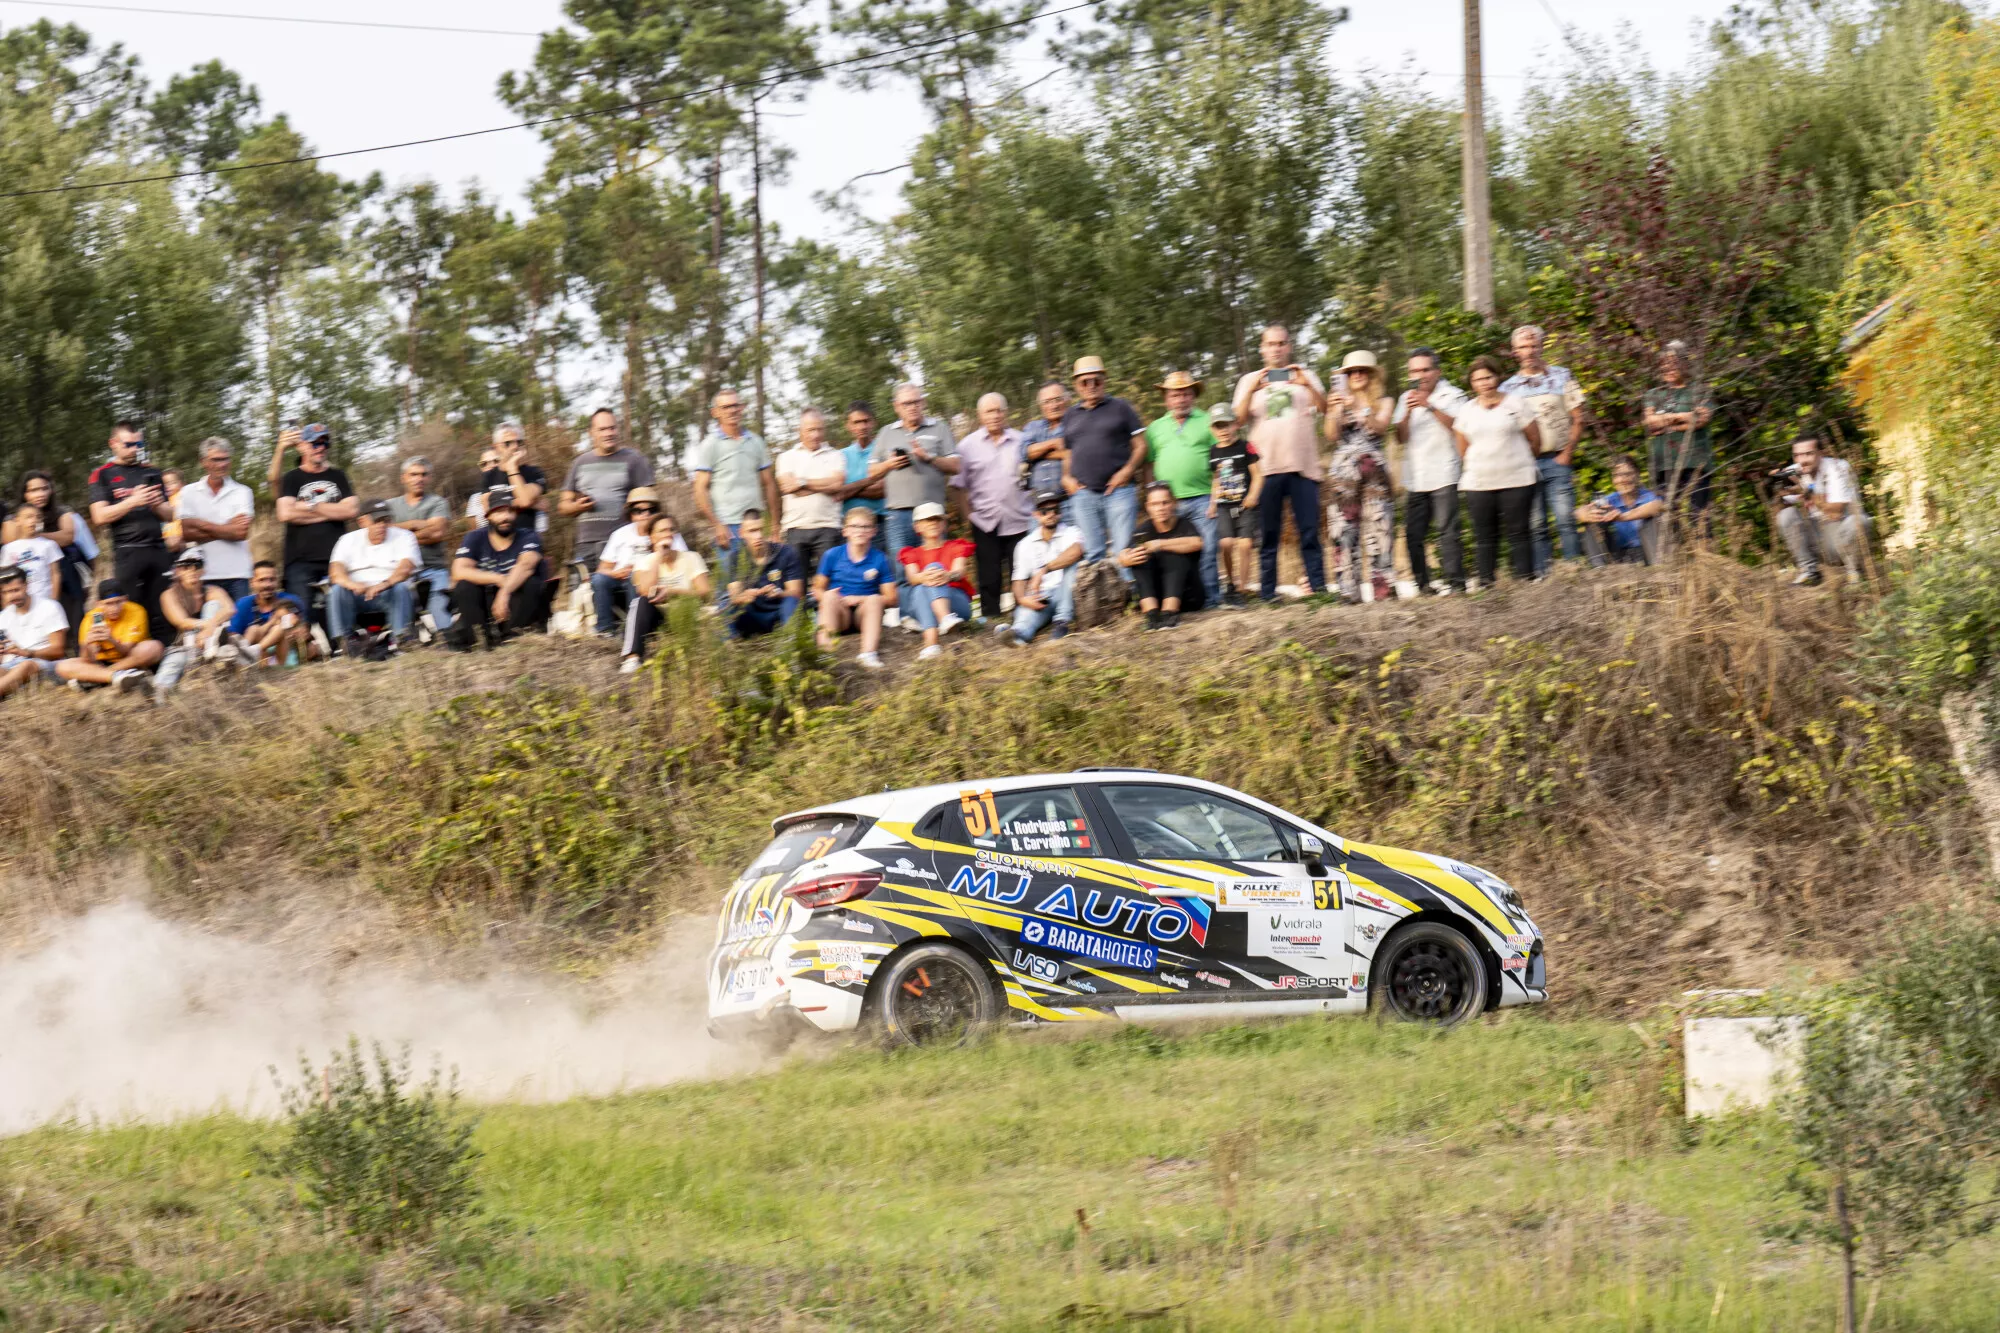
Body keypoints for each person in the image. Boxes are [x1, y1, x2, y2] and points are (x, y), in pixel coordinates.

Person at [1231, 324, 1328, 599]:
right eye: (1271, 344)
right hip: (1265, 468)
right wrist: (1251, 388)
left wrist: (1307, 384)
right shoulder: (1249, 379)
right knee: (1269, 535)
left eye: (1282, 343)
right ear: (1262, 348)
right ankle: (1268, 593)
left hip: (1303, 466)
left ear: (1289, 346)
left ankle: (1318, 589)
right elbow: (1237, 421)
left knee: (1309, 531)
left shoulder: (1304, 374)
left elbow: (1326, 409)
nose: (1276, 348)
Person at [1500, 326, 1587, 576]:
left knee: (1565, 519)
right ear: (1515, 352)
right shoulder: (1508, 388)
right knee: (1536, 523)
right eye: (1523, 347)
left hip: (1557, 458)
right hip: (1526, 464)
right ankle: (1543, 575)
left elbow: (1579, 417)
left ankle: (1573, 570)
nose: (1529, 351)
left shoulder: (1562, 377)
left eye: (1533, 345)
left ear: (1542, 346)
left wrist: (1567, 453)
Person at [1452, 355, 1543, 589]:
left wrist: (1516, 461)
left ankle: (1525, 580)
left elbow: (1535, 440)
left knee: (1519, 531)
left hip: (1517, 479)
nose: (1484, 383)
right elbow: (1462, 447)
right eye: (1478, 379)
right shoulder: (1466, 411)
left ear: (1498, 377)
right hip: (1479, 482)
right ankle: (1486, 584)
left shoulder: (1516, 403)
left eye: (1488, 377)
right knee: (1484, 535)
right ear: (1472, 383)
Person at [87, 420, 174, 645]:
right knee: (130, 608)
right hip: (128, 550)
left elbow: (170, 514)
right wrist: (132, 501)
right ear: (113, 444)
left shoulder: (152, 471)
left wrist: (155, 504)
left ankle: (164, 660)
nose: (135, 449)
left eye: (139, 444)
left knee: (161, 608)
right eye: (128, 445)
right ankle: (132, 660)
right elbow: (99, 516)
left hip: (158, 548)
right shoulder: (102, 474)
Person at [1059, 357, 1146, 578]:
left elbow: (1140, 445)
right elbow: (1069, 451)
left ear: (1104, 380)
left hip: (1119, 490)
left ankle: (1131, 598)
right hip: (1083, 494)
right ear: (1076, 385)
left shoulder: (1121, 407)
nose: (1091, 386)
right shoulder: (1070, 415)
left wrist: (1127, 471)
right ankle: (1103, 604)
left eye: (1095, 381)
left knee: (1123, 549)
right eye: (1084, 382)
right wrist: (1066, 477)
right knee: (1093, 552)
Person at [1392, 348, 1469, 597]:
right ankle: (1424, 585)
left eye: (1425, 369)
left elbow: (1461, 427)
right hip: (1416, 476)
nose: (1420, 375)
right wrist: (1407, 413)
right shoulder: (1405, 398)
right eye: (1414, 370)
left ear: (1437, 371)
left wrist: (1430, 405)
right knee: (1413, 534)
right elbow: (1401, 438)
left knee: (1448, 531)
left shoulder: (1454, 395)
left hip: (1444, 472)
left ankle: (1456, 584)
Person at [953, 392, 1033, 624]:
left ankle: (1025, 614)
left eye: (999, 410)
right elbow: (957, 486)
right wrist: (967, 515)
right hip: (985, 519)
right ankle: (990, 617)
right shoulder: (966, 446)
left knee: (1022, 569)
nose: (995, 415)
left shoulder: (1023, 440)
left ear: (1006, 412)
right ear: (980, 415)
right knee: (988, 573)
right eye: (990, 411)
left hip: (1020, 516)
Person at [1323, 350, 1396, 603]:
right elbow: (1331, 436)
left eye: (1361, 371)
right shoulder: (1338, 401)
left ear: (1371, 375)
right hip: (1343, 472)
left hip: (1374, 470)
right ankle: (1347, 592)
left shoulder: (1384, 401)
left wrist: (1358, 405)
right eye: (1350, 372)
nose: (1356, 375)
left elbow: (1380, 427)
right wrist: (1334, 410)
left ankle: (1383, 590)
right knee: (1343, 531)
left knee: (1380, 529)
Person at [272, 421, 357, 632]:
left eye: (325, 442)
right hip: (300, 560)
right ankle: (305, 655)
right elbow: (285, 513)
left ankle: (342, 648)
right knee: (301, 613)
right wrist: (331, 510)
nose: (321, 447)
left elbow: (351, 510)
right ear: (301, 446)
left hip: (337, 556)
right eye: (314, 443)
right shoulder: (292, 478)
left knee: (338, 610)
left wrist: (310, 506)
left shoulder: (338, 476)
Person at [1145, 371, 1219, 605]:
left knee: (1206, 549)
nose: (1180, 399)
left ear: (1193, 396)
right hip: (1167, 504)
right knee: (1172, 553)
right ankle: (1177, 599)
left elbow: (1221, 461)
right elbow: (1149, 465)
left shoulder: (1208, 421)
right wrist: (1151, 496)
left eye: (1186, 394)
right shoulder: (1155, 428)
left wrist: (1217, 498)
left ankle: (1212, 599)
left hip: (1203, 498)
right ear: (1166, 398)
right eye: (1175, 395)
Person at [867, 382, 960, 559]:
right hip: (898, 513)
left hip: (932, 513)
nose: (912, 407)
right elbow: (872, 472)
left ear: (923, 403)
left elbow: (956, 466)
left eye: (916, 402)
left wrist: (929, 458)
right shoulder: (886, 432)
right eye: (906, 404)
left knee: (936, 563)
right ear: (896, 407)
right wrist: (889, 464)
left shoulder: (939, 428)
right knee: (902, 567)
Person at [449, 488, 548, 650]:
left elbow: (526, 565)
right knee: (464, 586)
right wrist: (498, 579)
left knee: (531, 582)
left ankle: (514, 638)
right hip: (486, 600)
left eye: (509, 511)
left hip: (516, 601)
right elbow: (459, 570)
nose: (505, 517)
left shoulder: (529, 536)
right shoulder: (474, 537)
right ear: (488, 516)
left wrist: (505, 591)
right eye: (499, 512)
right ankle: (480, 639)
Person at [560, 408, 656, 571]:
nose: (608, 433)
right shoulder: (580, 463)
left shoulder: (635, 459)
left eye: (612, 428)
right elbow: (563, 506)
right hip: (587, 544)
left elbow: (650, 504)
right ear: (591, 432)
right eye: (602, 429)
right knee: (585, 594)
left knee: (628, 593)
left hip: (625, 543)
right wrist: (577, 507)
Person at [618, 515, 713, 673]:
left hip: (686, 612)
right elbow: (644, 591)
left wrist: (672, 592)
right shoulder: (644, 562)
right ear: (652, 537)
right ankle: (632, 658)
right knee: (639, 602)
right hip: (660, 615)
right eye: (662, 531)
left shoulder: (691, 557)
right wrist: (659, 558)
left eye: (671, 530)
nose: (668, 534)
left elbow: (704, 592)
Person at [689, 389, 778, 553]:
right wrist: (716, 524)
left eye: (736, 405)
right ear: (715, 412)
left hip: (757, 524)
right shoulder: (710, 445)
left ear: (742, 408)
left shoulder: (756, 442)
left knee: (763, 577)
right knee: (733, 578)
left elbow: (769, 483)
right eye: (726, 407)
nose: (732, 410)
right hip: (728, 528)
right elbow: (699, 488)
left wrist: (774, 523)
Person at [1775, 435, 1869, 586]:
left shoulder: (1838, 468)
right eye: (1797, 455)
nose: (1802, 460)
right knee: (1786, 515)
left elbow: (1836, 513)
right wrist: (1779, 493)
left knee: (1861, 521)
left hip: (1842, 535)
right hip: (1818, 538)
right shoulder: (1795, 471)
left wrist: (1806, 491)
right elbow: (1782, 518)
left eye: (1808, 454)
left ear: (1821, 453)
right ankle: (1809, 572)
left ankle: (1854, 573)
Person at [1642, 341, 1717, 527]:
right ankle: (1673, 556)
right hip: (1664, 465)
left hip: (1696, 462)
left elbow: (1701, 420)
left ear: (1685, 363)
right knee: (1667, 519)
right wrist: (1684, 417)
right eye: (1664, 364)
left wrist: (1666, 421)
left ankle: (1703, 554)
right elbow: (1650, 424)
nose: (1668, 368)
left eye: (1673, 362)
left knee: (1698, 518)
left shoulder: (1699, 390)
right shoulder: (1653, 394)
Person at [328, 499, 420, 647]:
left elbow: (406, 569)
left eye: (385, 520)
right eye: (376, 521)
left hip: (389, 591)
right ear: (362, 521)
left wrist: (384, 584)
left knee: (401, 587)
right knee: (337, 590)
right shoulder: (347, 540)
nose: (382, 525)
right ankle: (344, 643)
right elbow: (335, 573)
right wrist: (352, 584)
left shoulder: (404, 536)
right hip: (357, 593)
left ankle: (401, 639)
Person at [175, 438, 255, 603]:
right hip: (203, 575)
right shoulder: (188, 492)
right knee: (209, 626)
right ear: (203, 462)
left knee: (239, 628)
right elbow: (187, 533)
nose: (222, 464)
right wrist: (227, 528)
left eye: (225, 458)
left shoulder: (242, 492)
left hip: (238, 574)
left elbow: (240, 532)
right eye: (216, 459)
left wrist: (199, 524)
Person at [813, 508, 895, 669]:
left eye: (865, 527)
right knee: (828, 596)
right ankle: (824, 655)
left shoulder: (880, 558)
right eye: (855, 526)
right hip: (839, 612)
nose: (860, 531)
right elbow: (817, 589)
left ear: (873, 531)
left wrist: (860, 599)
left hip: (863, 614)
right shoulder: (832, 555)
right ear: (845, 531)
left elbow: (892, 598)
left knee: (874, 599)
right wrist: (834, 599)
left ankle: (868, 654)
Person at [11, 472, 90, 636]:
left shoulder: (62, 511)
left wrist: (35, 534)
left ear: (51, 491)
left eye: (44, 489)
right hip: (29, 572)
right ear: (25, 494)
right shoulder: (13, 516)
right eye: (34, 490)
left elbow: (68, 536)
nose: (40, 494)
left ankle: (77, 645)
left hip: (63, 568)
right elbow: (10, 538)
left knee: (72, 611)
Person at [1119, 483, 1207, 628]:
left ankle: (1170, 613)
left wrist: (1160, 544)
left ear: (1173, 503)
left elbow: (1197, 543)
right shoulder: (1144, 529)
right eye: (1155, 504)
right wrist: (1124, 559)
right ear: (1148, 507)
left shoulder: (1184, 525)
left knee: (1174, 555)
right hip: (1158, 597)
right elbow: (1125, 553)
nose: (1160, 508)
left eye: (1165, 503)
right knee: (1139, 557)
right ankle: (1151, 615)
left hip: (1188, 596)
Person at [776, 408, 850, 580]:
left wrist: (802, 482)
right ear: (799, 431)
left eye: (819, 429)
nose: (816, 434)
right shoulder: (787, 457)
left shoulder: (836, 455)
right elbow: (787, 487)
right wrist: (825, 484)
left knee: (830, 583)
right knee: (795, 584)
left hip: (829, 527)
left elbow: (837, 484)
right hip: (795, 528)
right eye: (810, 430)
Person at [897, 501, 975, 660]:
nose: (933, 523)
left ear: (943, 524)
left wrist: (947, 576)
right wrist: (926, 576)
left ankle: (934, 639)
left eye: (937, 519)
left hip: (956, 602)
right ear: (917, 526)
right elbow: (913, 578)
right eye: (927, 520)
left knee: (932, 570)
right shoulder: (911, 553)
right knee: (921, 586)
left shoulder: (955, 546)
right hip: (923, 603)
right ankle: (940, 627)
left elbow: (959, 571)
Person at [57, 578, 162, 692]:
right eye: (108, 604)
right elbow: (88, 660)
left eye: (118, 602)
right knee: (63, 666)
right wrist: (87, 645)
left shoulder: (136, 611)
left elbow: (126, 651)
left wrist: (111, 639)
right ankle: (115, 677)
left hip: (129, 658)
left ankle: (98, 678)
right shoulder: (92, 617)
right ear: (98, 604)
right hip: (101, 663)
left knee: (154, 647)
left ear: (125, 599)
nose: (114, 608)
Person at [387, 456, 454, 633]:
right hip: (400, 571)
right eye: (413, 474)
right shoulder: (390, 506)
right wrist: (415, 524)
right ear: (404, 478)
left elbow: (436, 533)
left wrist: (400, 533)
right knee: (399, 625)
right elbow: (383, 535)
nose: (419, 479)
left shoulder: (438, 502)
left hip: (432, 569)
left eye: (424, 474)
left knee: (444, 620)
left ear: (429, 478)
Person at [153, 549, 235, 693]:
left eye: (196, 566)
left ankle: (211, 647)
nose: (192, 571)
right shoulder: (169, 594)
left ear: (203, 570)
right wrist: (209, 626)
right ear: (178, 571)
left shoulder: (210, 590)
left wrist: (208, 631)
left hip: (208, 644)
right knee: (166, 678)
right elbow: (182, 622)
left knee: (214, 605)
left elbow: (230, 609)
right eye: (186, 567)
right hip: (181, 647)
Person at [593, 486, 670, 637]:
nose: (645, 514)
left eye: (651, 510)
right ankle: (605, 629)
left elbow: (679, 559)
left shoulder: (667, 530)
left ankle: (633, 629)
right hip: (620, 577)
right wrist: (615, 573)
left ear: (657, 512)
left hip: (653, 579)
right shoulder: (620, 534)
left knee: (634, 577)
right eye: (638, 511)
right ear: (631, 514)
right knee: (599, 579)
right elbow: (602, 569)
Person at [1009, 491, 1085, 645]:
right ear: (1036, 515)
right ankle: (1017, 635)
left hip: (1068, 593)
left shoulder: (1072, 532)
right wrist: (1023, 599)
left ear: (1060, 513)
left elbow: (1076, 552)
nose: (1051, 514)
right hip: (1043, 596)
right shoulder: (1025, 544)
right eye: (1044, 511)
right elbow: (1018, 581)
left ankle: (1062, 622)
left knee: (1073, 566)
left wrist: (1043, 570)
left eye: (1055, 510)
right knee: (1025, 617)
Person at [716, 509, 804, 640]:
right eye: (752, 531)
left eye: (761, 530)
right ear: (741, 533)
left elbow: (797, 593)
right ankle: (730, 651)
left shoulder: (786, 552)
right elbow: (735, 596)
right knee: (726, 606)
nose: (758, 536)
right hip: (752, 615)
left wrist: (779, 593)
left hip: (779, 612)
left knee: (791, 601)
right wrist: (748, 595)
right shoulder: (735, 558)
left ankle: (789, 646)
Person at [1205, 403, 1260, 607]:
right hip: (1224, 505)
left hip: (1245, 504)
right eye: (1218, 426)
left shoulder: (1246, 446)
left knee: (1245, 544)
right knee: (1226, 544)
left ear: (1236, 424)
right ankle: (1229, 582)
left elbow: (1258, 476)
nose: (1223, 430)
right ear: (1212, 429)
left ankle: (1242, 589)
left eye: (1227, 425)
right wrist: (1212, 504)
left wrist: (1253, 495)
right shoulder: (1213, 452)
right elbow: (1216, 479)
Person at [1576, 455, 1665, 567]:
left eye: (1628, 474)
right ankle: (1598, 568)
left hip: (1647, 551)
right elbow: (1579, 512)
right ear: (1613, 479)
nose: (1622, 480)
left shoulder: (1647, 496)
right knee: (1593, 519)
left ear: (1637, 475)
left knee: (1652, 518)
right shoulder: (1610, 500)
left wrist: (1623, 516)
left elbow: (1658, 505)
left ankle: (1657, 567)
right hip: (1620, 552)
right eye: (1617, 475)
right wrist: (1583, 514)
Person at [226, 561, 315, 667]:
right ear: (252, 583)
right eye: (262, 580)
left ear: (277, 581)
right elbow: (234, 634)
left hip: (285, 653)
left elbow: (303, 629)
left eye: (271, 580)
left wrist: (299, 630)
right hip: (262, 657)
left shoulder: (291, 600)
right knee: (253, 629)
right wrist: (273, 620)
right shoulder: (243, 604)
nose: (267, 585)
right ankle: (241, 656)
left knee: (280, 629)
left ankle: (252, 651)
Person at [0, 564, 67, 699]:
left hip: (43, 663)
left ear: (26, 586)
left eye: (15, 590)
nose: (12, 596)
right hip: (11, 665)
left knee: (26, 665)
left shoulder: (49, 607)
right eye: (6, 592)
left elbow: (58, 651)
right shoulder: (4, 616)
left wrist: (27, 653)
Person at [839, 402, 889, 549]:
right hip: (849, 528)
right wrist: (869, 481)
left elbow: (882, 490)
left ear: (873, 422)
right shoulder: (841, 456)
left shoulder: (884, 451)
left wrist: (849, 489)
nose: (862, 426)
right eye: (856, 422)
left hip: (879, 525)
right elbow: (838, 493)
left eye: (866, 421)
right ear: (848, 425)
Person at [1020, 381, 1072, 524]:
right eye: (1047, 402)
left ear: (1067, 399)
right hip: (1039, 507)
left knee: (1075, 544)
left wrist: (1038, 452)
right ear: (1041, 405)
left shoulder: (1076, 423)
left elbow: (1077, 453)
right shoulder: (1033, 426)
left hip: (1069, 504)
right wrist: (1054, 444)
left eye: (1057, 399)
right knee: (1038, 546)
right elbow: (1024, 453)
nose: (1053, 405)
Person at [485, 423, 549, 533]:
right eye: (508, 443)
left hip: (527, 539)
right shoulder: (489, 476)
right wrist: (533, 503)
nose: (515, 446)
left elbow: (525, 501)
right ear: (496, 447)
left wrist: (512, 468)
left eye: (519, 442)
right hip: (498, 541)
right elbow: (488, 509)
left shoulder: (534, 472)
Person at [0, 505, 64, 610]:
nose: (34, 520)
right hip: (17, 604)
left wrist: (54, 601)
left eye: (38, 517)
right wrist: (6, 606)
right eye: (28, 517)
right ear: (17, 520)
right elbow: (4, 580)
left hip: (44, 600)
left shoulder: (49, 545)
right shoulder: (8, 549)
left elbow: (55, 574)